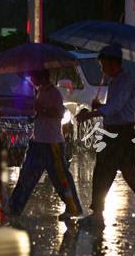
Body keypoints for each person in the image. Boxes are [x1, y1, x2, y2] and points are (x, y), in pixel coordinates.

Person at [75, 44, 135, 228]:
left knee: (108, 171)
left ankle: (98, 214)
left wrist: (92, 114)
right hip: (114, 132)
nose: (102, 69)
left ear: (113, 63)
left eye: (103, 64)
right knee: (124, 171)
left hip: (121, 133)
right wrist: (99, 105)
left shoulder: (125, 82)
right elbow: (112, 107)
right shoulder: (114, 81)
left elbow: (115, 107)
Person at [6, 69, 83, 221]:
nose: (31, 79)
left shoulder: (53, 93)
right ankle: (13, 208)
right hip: (37, 141)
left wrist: (41, 108)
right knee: (26, 176)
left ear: (42, 76)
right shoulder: (39, 91)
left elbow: (58, 114)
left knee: (61, 178)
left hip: (52, 143)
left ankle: (74, 207)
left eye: (33, 76)